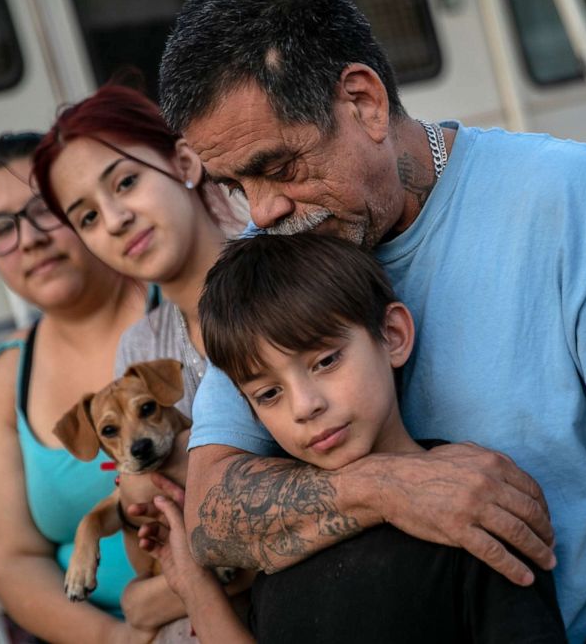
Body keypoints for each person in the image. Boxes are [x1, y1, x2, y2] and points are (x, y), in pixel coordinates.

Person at [155, 0, 586, 642]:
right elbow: (210, 515)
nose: (261, 213)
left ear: (363, 101)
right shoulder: (272, 264)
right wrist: (392, 485)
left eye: (279, 167)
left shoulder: (576, 203)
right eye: (235, 186)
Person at [188, 232, 565, 642]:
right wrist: (193, 586)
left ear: (392, 335)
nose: (304, 406)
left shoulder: (474, 499)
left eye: (326, 361)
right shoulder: (276, 546)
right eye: (268, 394)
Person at [29, 84, 252, 637]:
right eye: (86, 217)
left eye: (125, 181)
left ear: (183, 161)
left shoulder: (282, 280)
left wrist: (151, 601)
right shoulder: (140, 348)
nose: (115, 220)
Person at [0, 133, 174, 642]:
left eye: (43, 210)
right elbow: (14, 561)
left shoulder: (171, 306)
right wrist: (116, 639)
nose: (30, 239)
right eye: (1, 228)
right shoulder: (5, 375)